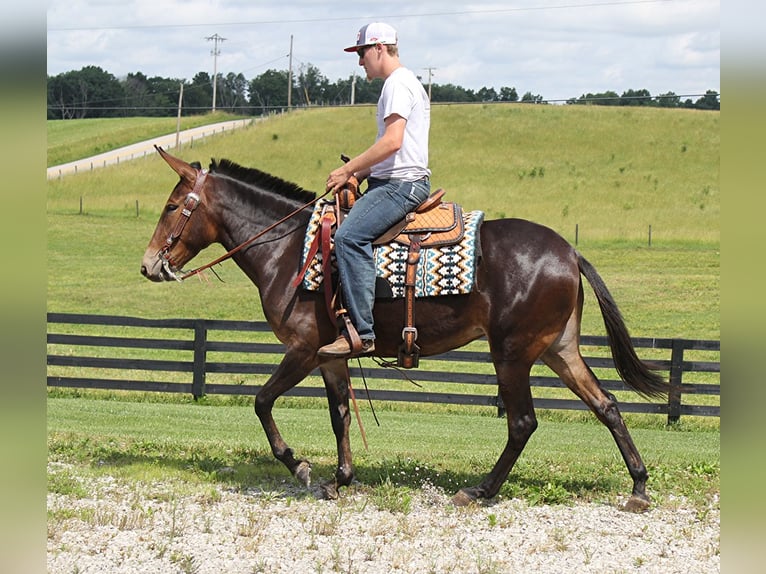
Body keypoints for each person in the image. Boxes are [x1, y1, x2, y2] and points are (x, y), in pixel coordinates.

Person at [318, 22, 432, 358]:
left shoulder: (397, 85)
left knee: (349, 237)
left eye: (362, 53)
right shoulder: (401, 83)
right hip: (394, 180)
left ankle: (362, 333)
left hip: (401, 186)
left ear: (379, 48)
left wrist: (349, 168)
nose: (360, 62)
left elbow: (392, 142)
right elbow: (390, 149)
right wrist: (357, 174)